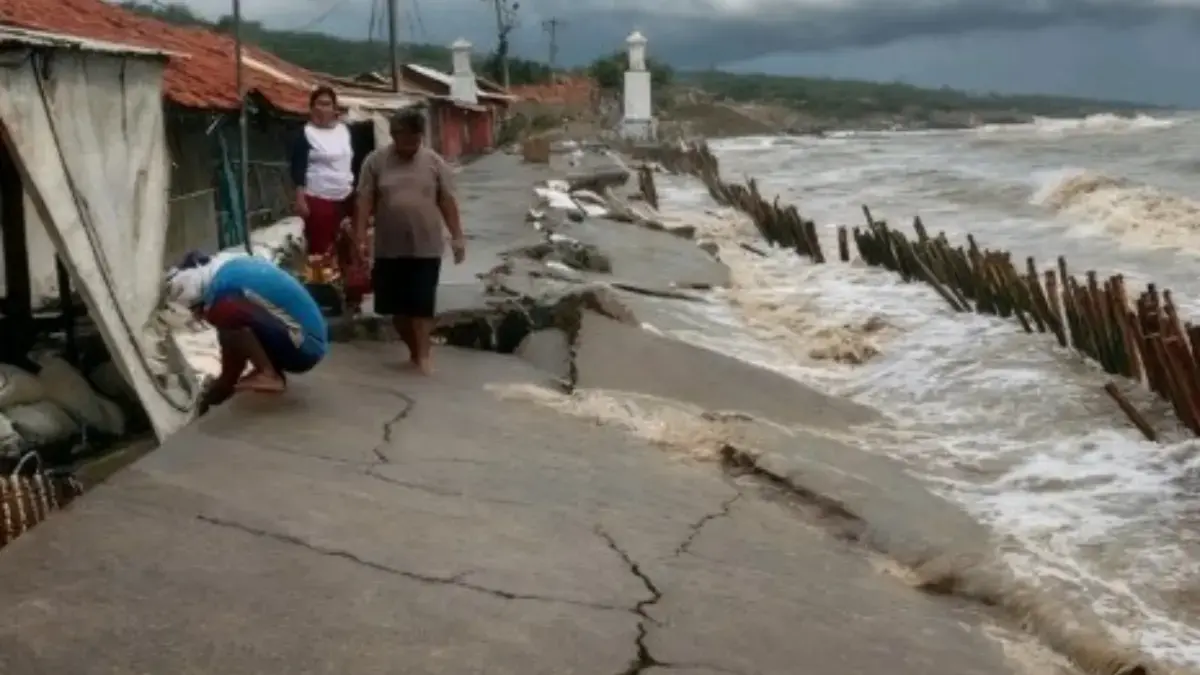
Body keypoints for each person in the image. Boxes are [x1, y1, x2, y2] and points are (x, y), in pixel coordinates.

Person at [353, 108, 465, 375]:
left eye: (417, 140)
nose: (413, 146)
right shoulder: (375, 162)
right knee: (396, 311)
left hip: (426, 246)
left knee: (422, 306)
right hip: (389, 248)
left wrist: (458, 237)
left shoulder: (434, 162)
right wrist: (360, 239)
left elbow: (447, 201)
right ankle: (415, 352)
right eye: (407, 140)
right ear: (394, 136)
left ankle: (424, 357)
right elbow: (364, 200)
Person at [166, 252, 329, 411]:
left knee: (223, 311)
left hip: (304, 348)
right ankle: (268, 372)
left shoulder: (223, 294)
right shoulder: (230, 271)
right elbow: (235, 350)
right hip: (310, 343)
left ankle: (269, 375)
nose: (200, 316)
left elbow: (232, 360)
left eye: (197, 310)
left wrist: (214, 394)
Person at [289, 86, 362, 306]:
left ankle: (353, 296)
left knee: (351, 246)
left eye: (327, 103)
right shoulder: (305, 134)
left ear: (335, 108)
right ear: (311, 109)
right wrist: (300, 198)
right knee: (320, 251)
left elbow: (356, 162)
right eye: (318, 103)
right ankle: (323, 299)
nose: (323, 108)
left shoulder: (345, 132)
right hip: (318, 196)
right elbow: (297, 168)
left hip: (347, 196)